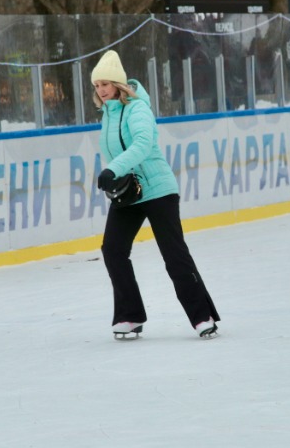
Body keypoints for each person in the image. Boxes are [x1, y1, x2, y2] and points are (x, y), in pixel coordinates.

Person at [90, 49, 220, 340]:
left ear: (119, 84)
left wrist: (112, 169)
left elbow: (143, 145)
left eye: (106, 84)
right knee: (113, 249)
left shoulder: (137, 109)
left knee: (174, 255)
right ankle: (129, 315)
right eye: (97, 86)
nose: (101, 90)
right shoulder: (107, 115)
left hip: (158, 189)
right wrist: (115, 178)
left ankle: (203, 316)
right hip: (130, 194)